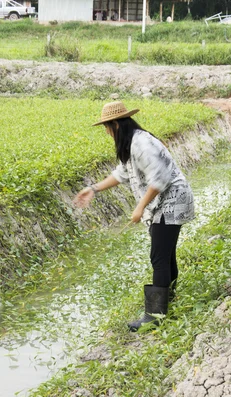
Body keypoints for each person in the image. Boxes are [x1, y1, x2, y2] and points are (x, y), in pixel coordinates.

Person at [73, 101, 195, 332]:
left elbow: (159, 179)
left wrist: (140, 208)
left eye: (107, 127)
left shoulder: (142, 144)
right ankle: (169, 301)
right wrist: (93, 189)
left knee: (159, 257)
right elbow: (121, 175)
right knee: (165, 255)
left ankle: (155, 315)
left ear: (116, 124)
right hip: (165, 203)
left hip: (171, 202)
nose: (107, 132)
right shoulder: (131, 143)